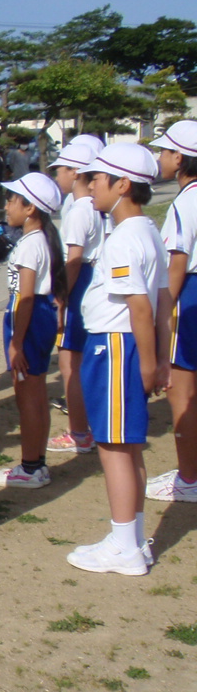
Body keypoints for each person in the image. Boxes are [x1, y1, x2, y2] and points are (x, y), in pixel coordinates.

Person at [67, 143, 167, 575]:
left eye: (96, 179)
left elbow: (141, 307)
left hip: (115, 346)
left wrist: (148, 364)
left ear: (122, 184)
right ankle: (131, 538)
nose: (90, 187)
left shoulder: (126, 237)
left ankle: (125, 547)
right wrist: (159, 357)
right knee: (128, 447)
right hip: (124, 347)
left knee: (113, 449)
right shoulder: (148, 231)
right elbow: (163, 302)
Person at [0, 173, 66, 489]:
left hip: (28, 319)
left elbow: (27, 296)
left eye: (12, 200)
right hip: (35, 317)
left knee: (28, 396)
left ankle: (31, 466)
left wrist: (17, 343)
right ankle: (36, 463)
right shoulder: (41, 239)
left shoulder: (31, 244)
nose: (7, 206)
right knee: (35, 393)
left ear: (30, 208)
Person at [145, 120, 197, 503]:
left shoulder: (185, 201)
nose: (160, 158)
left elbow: (177, 263)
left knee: (181, 390)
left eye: (164, 151)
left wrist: (162, 314)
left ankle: (189, 478)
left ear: (179, 158)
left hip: (190, 295)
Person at [47, 141, 104, 455]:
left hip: (79, 282)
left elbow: (74, 259)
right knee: (79, 358)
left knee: (70, 360)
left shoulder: (80, 209)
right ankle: (85, 427)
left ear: (76, 172)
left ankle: (79, 432)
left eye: (60, 170)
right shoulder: (95, 206)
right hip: (90, 279)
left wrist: (61, 297)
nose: (57, 176)